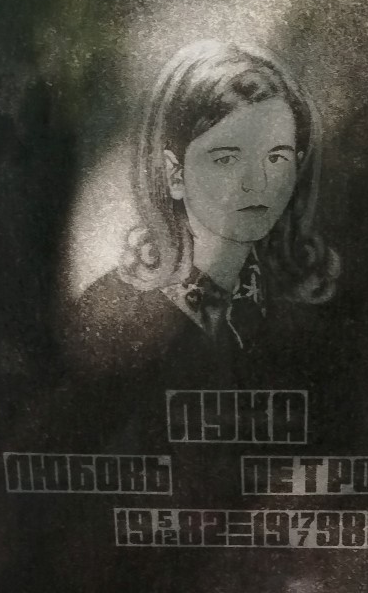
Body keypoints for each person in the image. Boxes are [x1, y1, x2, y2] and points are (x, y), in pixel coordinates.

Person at [80, 40, 339, 361]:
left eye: (276, 158)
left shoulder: (309, 312)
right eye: (226, 159)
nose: (256, 183)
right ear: (174, 173)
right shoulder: (110, 316)